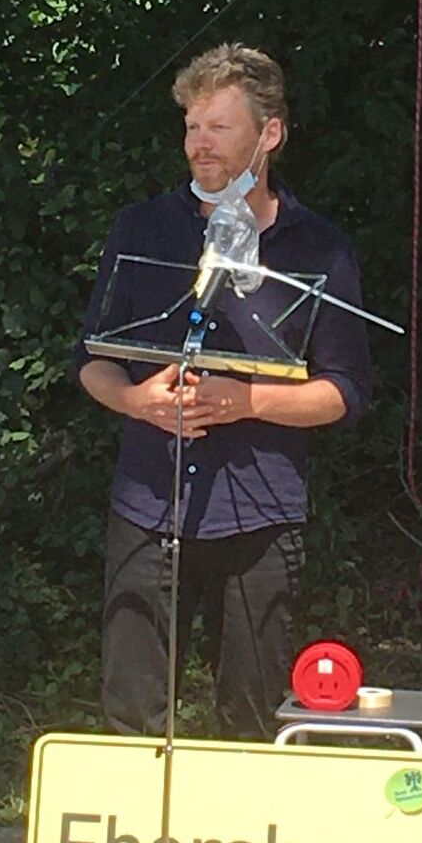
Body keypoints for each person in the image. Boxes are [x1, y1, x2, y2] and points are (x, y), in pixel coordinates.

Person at [76, 43, 373, 739]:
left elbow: (346, 392)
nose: (199, 145)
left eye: (218, 127)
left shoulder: (315, 246)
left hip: (261, 509)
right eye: (190, 126)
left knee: (249, 716)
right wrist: (134, 400)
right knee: (132, 717)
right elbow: (89, 359)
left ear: (269, 134)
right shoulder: (143, 228)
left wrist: (247, 402)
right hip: (148, 500)